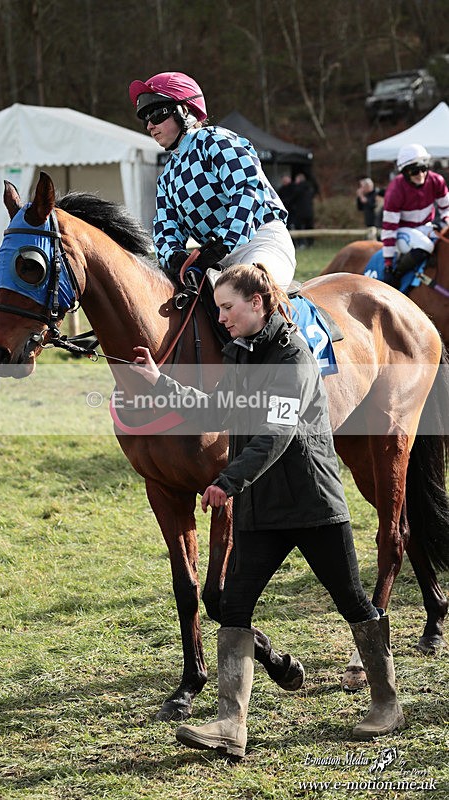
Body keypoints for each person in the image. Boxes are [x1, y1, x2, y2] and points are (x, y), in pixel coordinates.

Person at [132, 263, 404, 758]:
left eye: (227, 307)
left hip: (311, 506)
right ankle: (229, 725)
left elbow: (276, 434)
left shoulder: (293, 356)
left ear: (256, 303)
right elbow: (218, 410)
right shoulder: (239, 353)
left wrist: (226, 482)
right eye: (218, 309)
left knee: (352, 602)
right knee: (235, 607)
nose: (221, 318)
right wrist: (159, 382)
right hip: (260, 509)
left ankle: (387, 703)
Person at [128, 72, 296, 306]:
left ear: (185, 111)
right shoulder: (167, 176)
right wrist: (174, 257)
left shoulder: (215, 140)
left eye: (156, 114)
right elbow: (164, 227)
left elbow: (247, 189)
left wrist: (224, 242)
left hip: (260, 241)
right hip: (216, 260)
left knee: (246, 299)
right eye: (145, 118)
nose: (150, 125)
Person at [382, 143, 449, 288]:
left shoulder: (437, 181)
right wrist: (388, 263)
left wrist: (446, 221)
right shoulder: (395, 190)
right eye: (415, 171)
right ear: (405, 172)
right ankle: (397, 274)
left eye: (423, 169)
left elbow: (446, 208)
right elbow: (389, 228)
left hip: (426, 226)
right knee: (426, 246)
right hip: (402, 230)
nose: (421, 175)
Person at [290, 173, 315, 248]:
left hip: (300, 212)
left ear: (299, 180)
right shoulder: (310, 188)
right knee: (309, 227)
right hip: (309, 211)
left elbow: (292, 199)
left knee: (299, 228)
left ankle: (301, 243)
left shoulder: (298, 189)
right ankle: (310, 243)